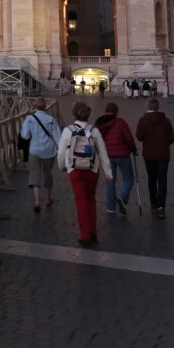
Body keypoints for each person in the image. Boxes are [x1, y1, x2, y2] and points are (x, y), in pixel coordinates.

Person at [58, 102, 113, 246]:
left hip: (75, 170)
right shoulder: (94, 131)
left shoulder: (68, 130)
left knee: (80, 201)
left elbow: (61, 152)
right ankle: (93, 230)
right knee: (91, 200)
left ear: (74, 114)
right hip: (92, 169)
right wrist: (108, 172)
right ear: (88, 115)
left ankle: (85, 234)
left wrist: (62, 166)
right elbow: (103, 152)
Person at [136, 97, 174, 218]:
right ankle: (161, 207)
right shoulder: (166, 120)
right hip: (163, 154)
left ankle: (153, 203)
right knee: (162, 180)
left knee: (152, 179)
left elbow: (139, 137)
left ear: (147, 107)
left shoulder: (142, 120)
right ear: (158, 107)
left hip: (149, 155)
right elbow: (172, 138)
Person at [19, 98, 61, 213]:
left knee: (34, 174)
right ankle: (48, 198)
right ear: (45, 107)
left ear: (35, 107)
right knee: (47, 174)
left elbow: (25, 136)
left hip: (34, 150)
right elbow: (58, 138)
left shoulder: (29, 119)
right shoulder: (51, 119)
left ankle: (37, 201)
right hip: (49, 151)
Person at [95, 103, 137, 215]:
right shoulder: (120, 122)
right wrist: (133, 149)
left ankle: (110, 207)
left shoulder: (100, 123)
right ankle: (122, 198)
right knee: (128, 178)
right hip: (122, 154)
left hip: (107, 156)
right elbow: (128, 137)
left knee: (110, 181)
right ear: (116, 111)